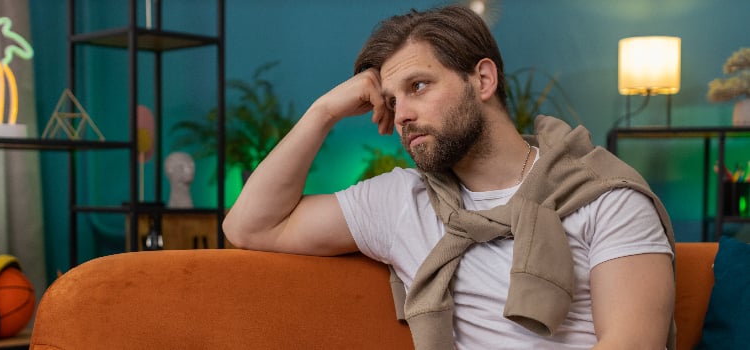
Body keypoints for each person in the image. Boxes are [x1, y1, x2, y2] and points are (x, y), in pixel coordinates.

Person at [223, 5, 675, 349]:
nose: (403, 114)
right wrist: (323, 111)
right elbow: (250, 225)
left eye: (418, 86)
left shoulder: (604, 196)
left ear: (482, 80)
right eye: (392, 100)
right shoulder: (403, 201)